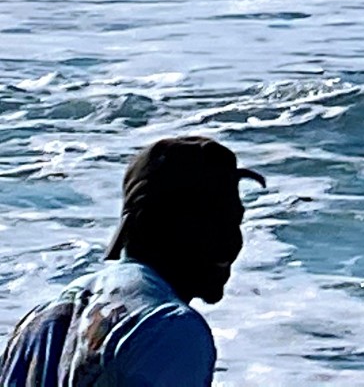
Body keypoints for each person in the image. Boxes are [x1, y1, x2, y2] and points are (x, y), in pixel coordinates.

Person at [1, 137, 264, 387]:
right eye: (210, 224)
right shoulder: (170, 329)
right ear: (147, 224)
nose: (231, 242)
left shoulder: (37, 322)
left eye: (234, 222)